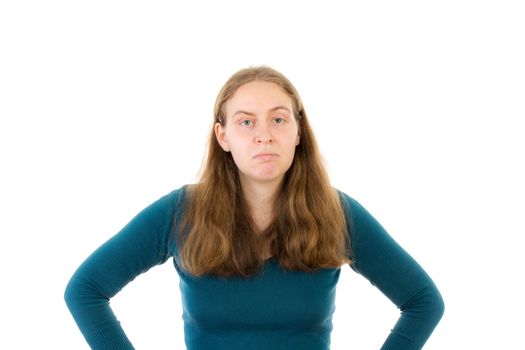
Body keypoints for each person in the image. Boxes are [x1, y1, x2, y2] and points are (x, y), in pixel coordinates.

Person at [64, 66, 444, 350]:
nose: (264, 134)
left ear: (298, 132)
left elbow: (423, 303)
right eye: (246, 122)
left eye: (278, 119)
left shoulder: (337, 212)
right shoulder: (180, 211)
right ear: (223, 136)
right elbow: (85, 290)